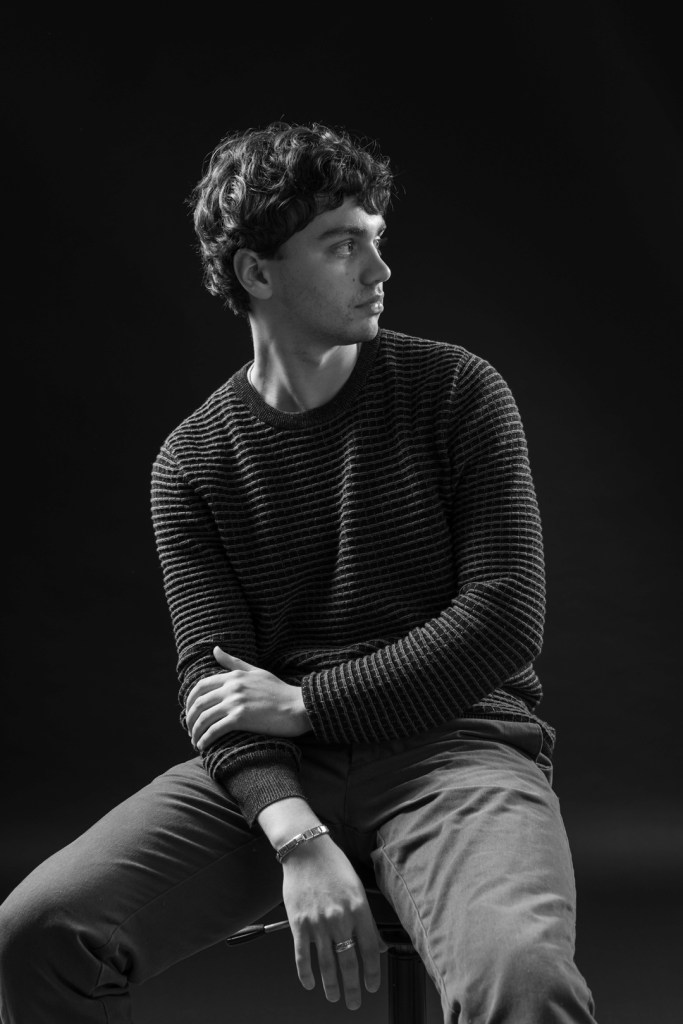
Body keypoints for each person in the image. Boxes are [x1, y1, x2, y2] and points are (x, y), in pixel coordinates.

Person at [0, 122, 597, 1023]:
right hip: (283, 772)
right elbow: (215, 684)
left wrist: (310, 702)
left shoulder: (456, 391)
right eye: (342, 243)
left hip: (458, 752)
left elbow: (503, 618)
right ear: (255, 270)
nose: (378, 269)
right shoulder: (192, 460)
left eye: (376, 238)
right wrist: (294, 834)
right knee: (36, 936)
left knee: (524, 979)